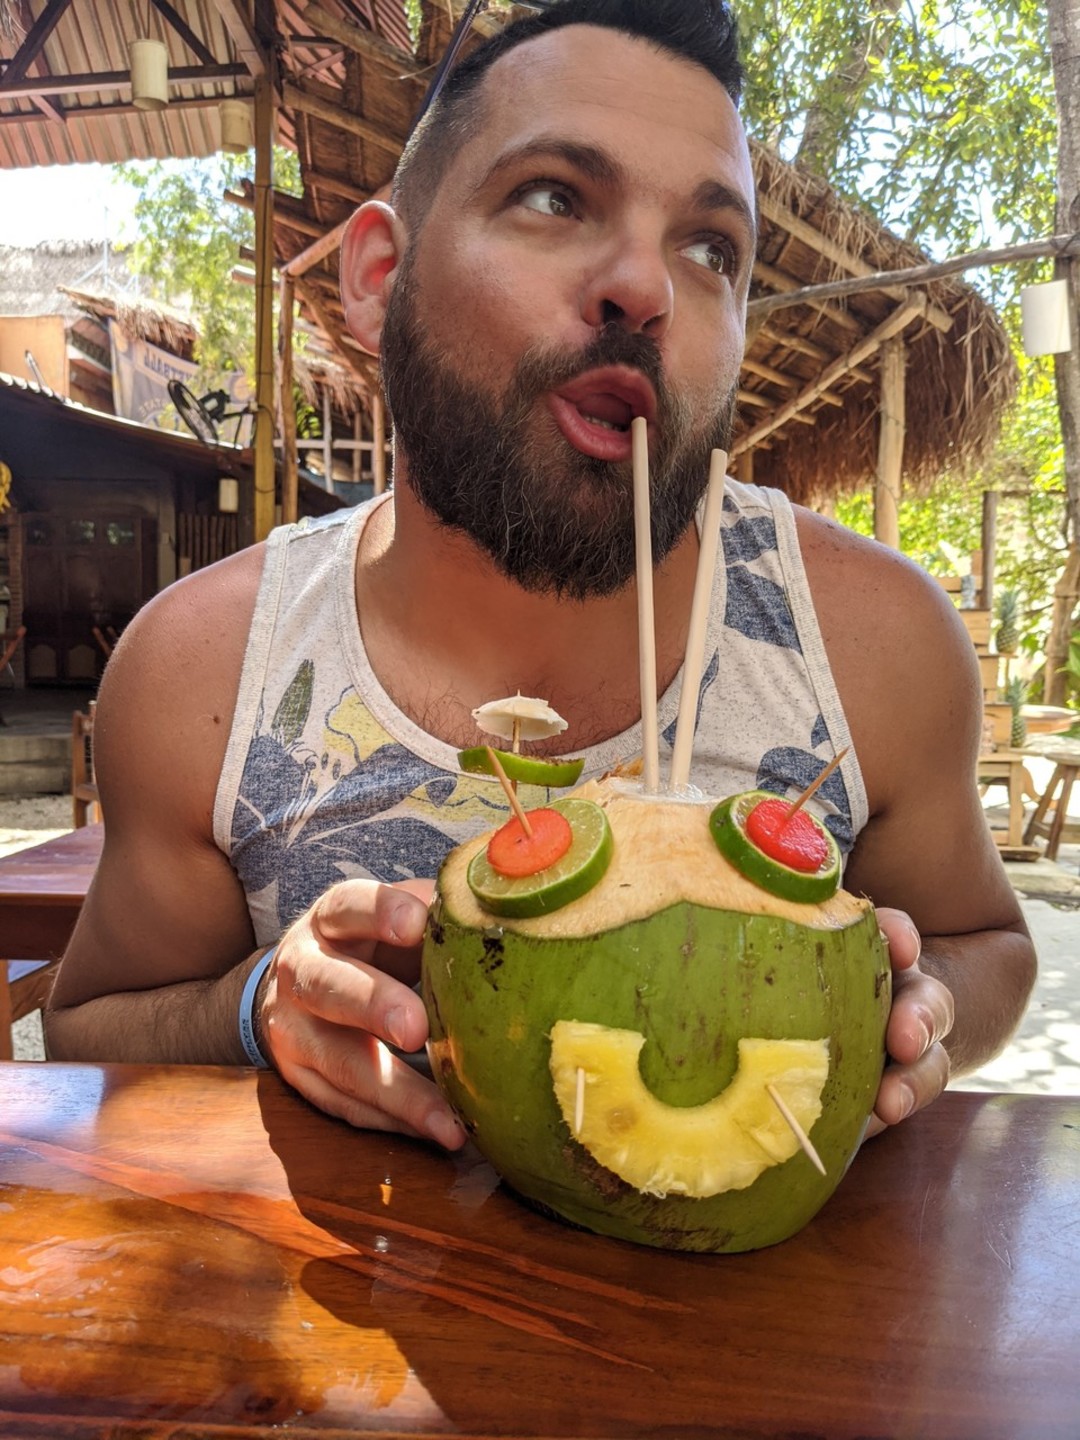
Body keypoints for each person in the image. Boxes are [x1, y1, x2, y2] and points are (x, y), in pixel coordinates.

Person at [46, 0, 1035, 1153]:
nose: (645, 285)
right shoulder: (204, 670)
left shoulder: (874, 641)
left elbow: (991, 947)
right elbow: (89, 1024)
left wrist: (922, 1012)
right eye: (555, 197)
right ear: (380, 275)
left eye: (710, 248)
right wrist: (256, 1003)